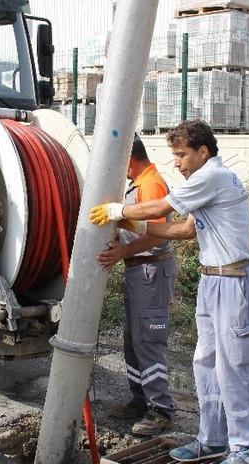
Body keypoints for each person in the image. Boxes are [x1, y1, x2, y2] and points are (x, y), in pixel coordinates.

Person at [89, 120, 249, 464]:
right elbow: (184, 230)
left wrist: (118, 212)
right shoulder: (205, 184)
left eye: (182, 155)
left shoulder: (212, 176)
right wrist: (135, 227)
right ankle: (213, 439)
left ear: (203, 152)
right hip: (212, 279)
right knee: (205, 362)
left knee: (235, 366)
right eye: (174, 155)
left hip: (234, 281)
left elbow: (160, 208)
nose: (177, 163)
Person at [96, 135, 177, 436]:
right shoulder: (139, 183)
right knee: (133, 342)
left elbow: (159, 235)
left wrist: (122, 251)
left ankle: (161, 410)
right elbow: (136, 229)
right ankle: (140, 399)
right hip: (140, 270)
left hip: (150, 271)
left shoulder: (151, 184)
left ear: (128, 160)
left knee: (148, 341)